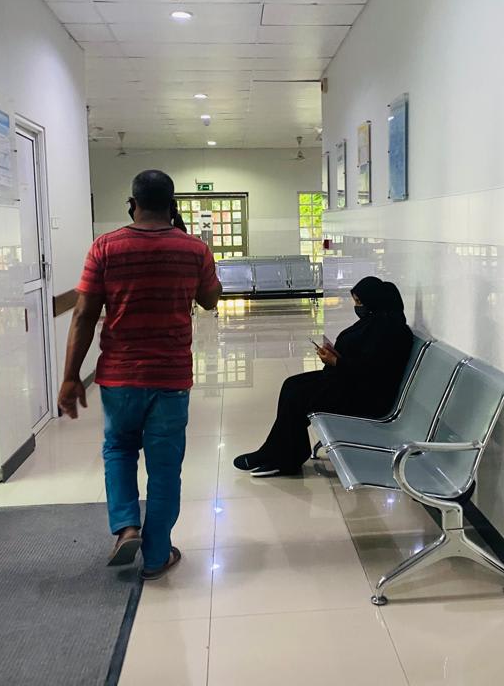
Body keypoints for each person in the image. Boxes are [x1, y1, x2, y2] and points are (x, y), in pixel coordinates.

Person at [60, 170, 222, 578]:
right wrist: (190, 248)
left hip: (119, 376)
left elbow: (83, 314)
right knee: (165, 469)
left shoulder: (105, 247)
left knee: (119, 450)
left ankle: (127, 527)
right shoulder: (194, 249)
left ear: (132, 204)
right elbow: (210, 299)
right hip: (170, 377)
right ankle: (156, 556)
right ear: (172, 206)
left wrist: (70, 376)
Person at [234, 276, 413, 477]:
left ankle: (284, 459)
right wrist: (337, 357)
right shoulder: (378, 323)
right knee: (292, 385)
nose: (357, 307)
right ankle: (278, 452)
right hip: (352, 384)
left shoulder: (391, 332)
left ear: (374, 301)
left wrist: (336, 362)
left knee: (298, 396)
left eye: (359, 302)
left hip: (366, 398)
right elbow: (365, 361)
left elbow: (373, 372)